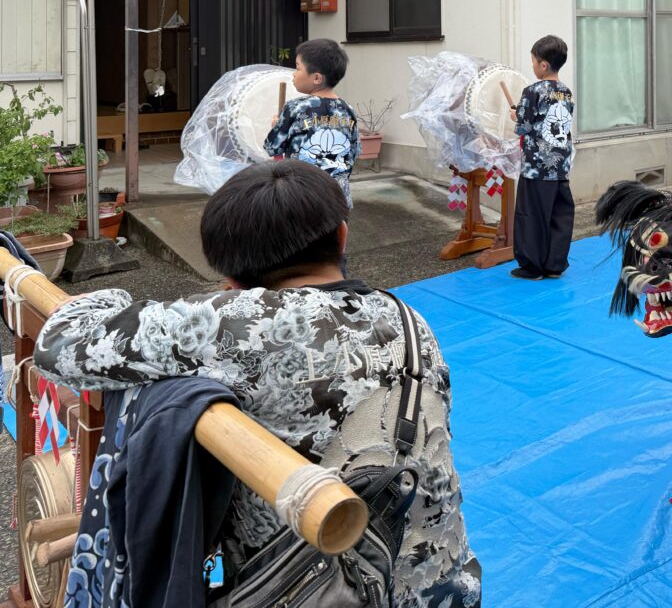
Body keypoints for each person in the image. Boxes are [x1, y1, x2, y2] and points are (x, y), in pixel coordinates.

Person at [33, 160, 482, 606]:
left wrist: (115, 298)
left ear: (229, 273)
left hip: (307, 590)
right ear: (342, 236)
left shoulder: (233, 324)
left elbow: (59, 343)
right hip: (439, 586)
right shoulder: (411, 321)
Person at [265, 38, 361, 207]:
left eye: (297, 68)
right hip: (337, 198)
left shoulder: (295, 108)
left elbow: (272, 147)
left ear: (316, 78)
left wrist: (276, 127)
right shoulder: (348, 110)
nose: (293, 74)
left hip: (301, 197)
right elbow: (354, 151)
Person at [509, 34, 575, 280]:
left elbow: (524, 127)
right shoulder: (566, 92)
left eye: (534, 62)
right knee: (559, 215)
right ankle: (554, 265)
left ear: (543, 64)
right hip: (561, 165)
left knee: (532, 215)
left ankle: (532, 266)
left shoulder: (532, 91)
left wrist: (516, 117)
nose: (533, 66)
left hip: (537, 166)